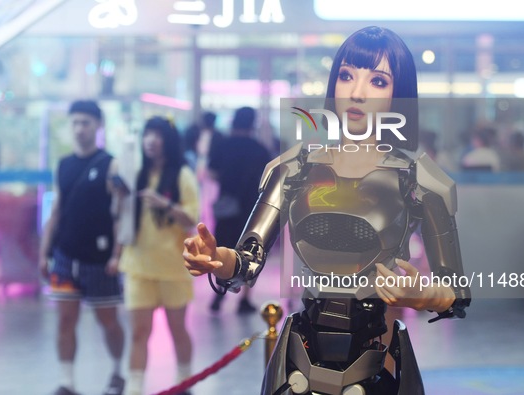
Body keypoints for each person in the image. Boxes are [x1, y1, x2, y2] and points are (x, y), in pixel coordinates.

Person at [184, 26, 470, 394]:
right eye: (347, 75)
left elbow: (455, 290)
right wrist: (216, 258)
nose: (357, 91)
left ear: (399, 95)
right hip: (300, 357)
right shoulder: (294, 169)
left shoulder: (417, 178)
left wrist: (426, 295)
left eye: (378, 81)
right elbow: (246, 261)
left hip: (375, 358)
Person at [39, 100, 125, 395]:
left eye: (85, 123)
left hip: (100, 260)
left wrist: (117, 253)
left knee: (108, 322)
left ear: (98, 125)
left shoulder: (110, 164)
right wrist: (44, 251)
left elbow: (119, 213)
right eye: (75, 122)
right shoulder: (63, 164)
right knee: (65, 319)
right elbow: (57, 211)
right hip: (65, 256)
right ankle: (67, 381)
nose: (79, 129)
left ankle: (117, 372)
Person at [111, 116, 198, 395]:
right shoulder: (133, 173)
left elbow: (192, 218)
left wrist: (166, 204)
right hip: (137, 266)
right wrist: (116, 254)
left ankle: (184, 382)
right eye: (147, 134)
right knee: (138, 332)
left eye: (157, 135)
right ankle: (134, 388)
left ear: (168, 141)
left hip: (173, 267)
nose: (151, 140)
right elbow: (120, 217)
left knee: (177, 330)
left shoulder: (182, 174)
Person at [206, 106, 271, 314]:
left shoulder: (223, 145)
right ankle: (244, 298)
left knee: (222, 249)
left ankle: (218, 293)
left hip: (227, 207)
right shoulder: (260, 149)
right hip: (251, 209)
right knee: (250, 252)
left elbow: (211, 172)